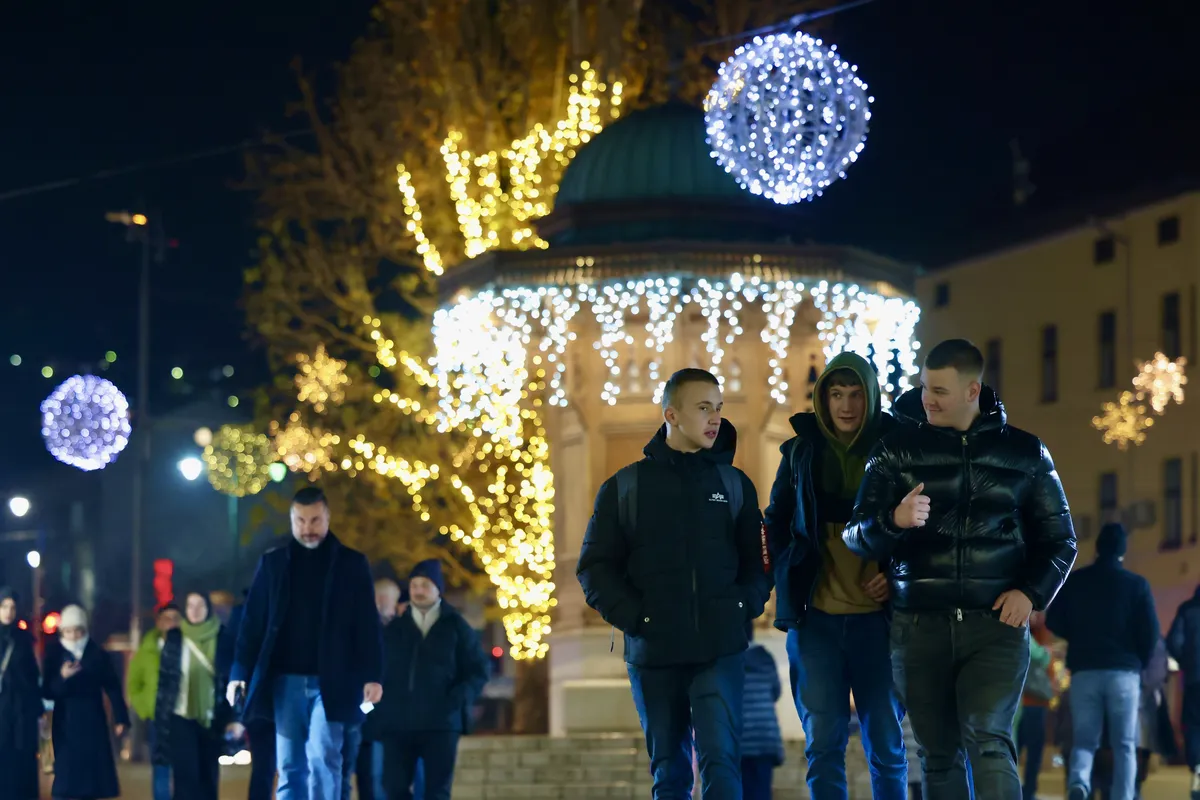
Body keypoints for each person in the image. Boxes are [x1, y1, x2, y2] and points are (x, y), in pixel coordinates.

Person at [844, 338, 1077, 799]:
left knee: (989, 741)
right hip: (917, 627)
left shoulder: (1026, 453)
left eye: (940, 391)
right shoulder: (895, 450)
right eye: (925, 387)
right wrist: (894, 520)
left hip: (994, 625)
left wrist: (1030, 593)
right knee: (937, 754)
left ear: (973, 391)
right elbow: (856, 533)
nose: (928, 398)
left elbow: (1060, 539)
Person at [576, 367, 772, 798]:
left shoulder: (734, 485)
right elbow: (594, 567)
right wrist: (638, 618)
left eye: (718, 408)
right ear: (672, 414)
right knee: (670, 773)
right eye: (703, 408)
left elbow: (758, 566)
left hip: (719, 649)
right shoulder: (625, 487)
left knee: (722, 764)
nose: (715, 418)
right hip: (654, 652)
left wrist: (741, 607)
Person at [762, 352, 906, 799]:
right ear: (823, 399)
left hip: (879, 624)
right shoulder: (801, 453)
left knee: (887, 746)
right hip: (816, 622)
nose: (846, 406)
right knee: (823, 747)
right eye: (836, 394)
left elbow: (925, 523)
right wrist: (792, 571)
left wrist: (897, 573)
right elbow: (777, 521)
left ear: (873, 395)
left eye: (857, 394)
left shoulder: (897, 448)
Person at [228, 486, 384, 800]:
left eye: (314, 520)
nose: (307, 528)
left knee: (323, 757)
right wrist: (238, 672)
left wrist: (373, 675)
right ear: (291, 520)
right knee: (289, 765)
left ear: (327, 518)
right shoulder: (273, 565)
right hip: (285, 680)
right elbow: (252, 624)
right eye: (300, 520)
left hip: (333, 679)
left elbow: (367, 625)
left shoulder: (351, 565)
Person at [1046, 522, 1158, 800]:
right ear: (1122, 551)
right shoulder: (1136, 585)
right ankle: (1123, 795)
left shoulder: (1077, 581)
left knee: (1085, 739)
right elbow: (1151, 632)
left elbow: (1053, 619)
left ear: (1097, 549)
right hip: (1124, 673)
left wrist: (1078, 635)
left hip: (1085, 672)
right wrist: (1139, 662)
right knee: (1125, 744)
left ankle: (1080, 783)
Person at [375, 560, 488, 800]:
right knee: (394, 788)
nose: (418, 590)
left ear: (438, 588)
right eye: (415, 585)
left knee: (437, 791)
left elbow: (478, 669)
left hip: (441, 724)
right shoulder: (394, 629)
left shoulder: (456, 627)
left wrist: (457, 699)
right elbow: (376, 669)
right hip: (398, 724)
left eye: (425, 585)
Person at [43, 603, 130, 800]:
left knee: (91, 779)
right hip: (65, 721)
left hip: (92, 720)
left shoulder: (96, 653)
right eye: (68, 631)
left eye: (77, 630)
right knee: (66, 777)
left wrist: (120, 718)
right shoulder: (54, 654)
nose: (73, 636)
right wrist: (62, 677)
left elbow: (113, 687)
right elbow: (48, 691)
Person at [156, 591, 230, 800]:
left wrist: (233, 717)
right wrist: (161, 721)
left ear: (208, 609)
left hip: (212, 718)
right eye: (190, 606)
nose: (195, 611)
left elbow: (228, 680)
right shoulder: (175, 638)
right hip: (180, 715)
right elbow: (165, 683)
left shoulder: (222, 637)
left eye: (200, 605)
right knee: (185, 779)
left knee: (208, 778)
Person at [357, 578, 422, 800]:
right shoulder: (390, 632)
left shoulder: (363, 629)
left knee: (373, 775)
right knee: (380, 776)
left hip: (374, 717)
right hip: (383, 717)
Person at [218, 589, 276, 800]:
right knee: (270, 766)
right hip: (264, 699)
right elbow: (231, 661)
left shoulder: (241, 616)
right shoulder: (244, 615)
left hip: (265, 698)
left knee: (267, 767)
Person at [128, 602, 183, 800]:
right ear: (159, 622)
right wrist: (146, 709)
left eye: (176, 619)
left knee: (184, 769)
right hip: (157, 719)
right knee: (161, 768)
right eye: (167, 619)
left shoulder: (188, 647)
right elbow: (134, 683)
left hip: (183, 716)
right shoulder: (147, 648)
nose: (172, 624)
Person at [0, 587, 42, 800]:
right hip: (3, 712)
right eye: (4, 606)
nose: (8, 611)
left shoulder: (23, 640)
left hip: (20, 715)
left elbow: (32, 677)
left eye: (12, 607)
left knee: (20, 767)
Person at [1015, 611, 1058, 800]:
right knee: (1016, 750)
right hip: (1023, 702)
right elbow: (1043, 658)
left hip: (1033, 703)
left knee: (1031, 752)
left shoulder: (1041, 632)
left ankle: (1028, 791)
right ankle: (1021, 791)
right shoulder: (1021, 627)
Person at [740, 628, 784, 800]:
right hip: (764, 737)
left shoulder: (726, 660)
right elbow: (776, 691)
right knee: (760, 792)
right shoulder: (764, 657)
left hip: (738, 738)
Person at [1167, 583, 1200, 798]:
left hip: (1195, 679)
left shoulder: (1187, 610)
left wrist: (1187, 662)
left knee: (1195, 726)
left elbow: (1174, 642)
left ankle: (1198, 768)